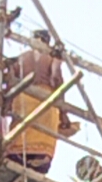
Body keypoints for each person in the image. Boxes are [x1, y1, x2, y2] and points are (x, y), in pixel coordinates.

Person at [6, 30, 77, 173]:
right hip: (45, 100)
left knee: (20, 135)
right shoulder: (51, 58)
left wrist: (7, 106)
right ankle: (39, 160)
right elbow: (56, 78)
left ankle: (18, 156)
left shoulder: (20, 59)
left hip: (23, 98)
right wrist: (63, 112)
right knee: (42, 142)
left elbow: (10, 82)